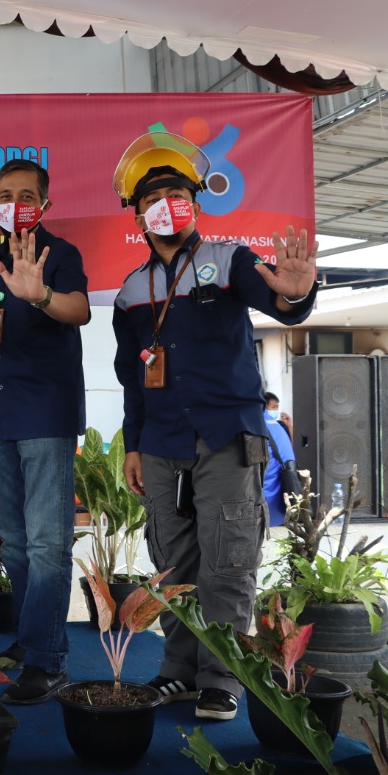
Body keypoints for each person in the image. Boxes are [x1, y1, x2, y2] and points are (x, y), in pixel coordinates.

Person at [111, 132, 318, 721]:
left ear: (195, 203)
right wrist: (132, 445)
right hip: (160, 445)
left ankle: (221, 675)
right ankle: (178, 670)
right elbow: (132, 378)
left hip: (227, 439)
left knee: (228, 558)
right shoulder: (131, 291)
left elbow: (279, 297)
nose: (166, 203)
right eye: (153, 196)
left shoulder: (229, 261)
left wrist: (297, 300)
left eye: (177, 192)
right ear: (138, 214)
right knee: (174, 564)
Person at [0, 159, 90, 704]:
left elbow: (81, 311)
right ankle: (31, 638)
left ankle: (48, 661)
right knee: (15, 543)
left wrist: (40, 295)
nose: (13, 201)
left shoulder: (59, 255)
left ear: (45, 204)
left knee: (47, 544)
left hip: (46, 415)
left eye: (25, 194)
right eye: (4, 193)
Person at [262, 392, 296, 527]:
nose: (276, 410)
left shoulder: (266, 424)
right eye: (273, 407)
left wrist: (289, 426)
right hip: (282, 476)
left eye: (277, 407)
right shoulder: (274, 426)